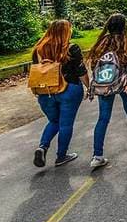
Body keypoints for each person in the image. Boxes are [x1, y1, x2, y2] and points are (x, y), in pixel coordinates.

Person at [87, 14, 127, 169]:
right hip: (124, 79)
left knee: (103, 118)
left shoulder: (102, 41)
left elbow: (94, 64)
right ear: (124, 25)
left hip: (105, 83)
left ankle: (97, 155)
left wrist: (98, 81)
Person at [32, 20, 89, 168]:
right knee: (65, 124)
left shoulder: (38, 49)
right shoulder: (71, 48)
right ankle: (61, 156)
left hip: (46, 91)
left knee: (54, 121)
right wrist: (89, 87)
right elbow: (81, 71)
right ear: (66, 31)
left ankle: (42, 147)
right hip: (69, 88)